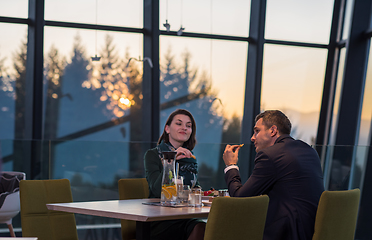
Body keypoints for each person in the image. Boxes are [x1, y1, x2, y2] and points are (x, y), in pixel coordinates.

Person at [223, 110, 324, 240]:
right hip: (313, 230)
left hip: (287, 233)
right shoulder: (310, 151)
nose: (252, 137)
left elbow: (240, 198)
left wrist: (231, 165)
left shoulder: (270, 155)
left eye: (257, 131)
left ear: (273, 131)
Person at [144, 109, 205, 240]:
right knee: (199, 227)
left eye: (188, 126)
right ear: (167, 129)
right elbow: (156, 190)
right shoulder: (152, 155)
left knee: (203, 226)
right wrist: (171, 160)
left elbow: (195, 189)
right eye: (179, 124)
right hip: (162, 218)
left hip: (185, 216)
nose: (184, 128)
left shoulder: (190, 157)